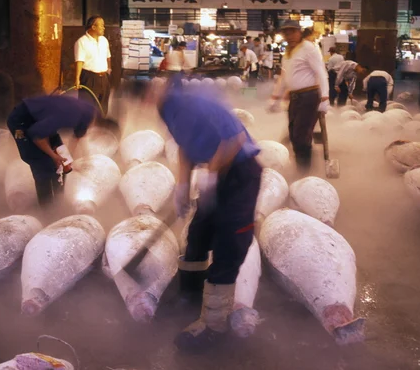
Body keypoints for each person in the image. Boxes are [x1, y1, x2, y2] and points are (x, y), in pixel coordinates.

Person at [122, 75, 262, 352]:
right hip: (219, 173)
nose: (147, 102)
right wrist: (182, 186)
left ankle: (214, 326)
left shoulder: (196, 101)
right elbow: (185, 146)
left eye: (147, 95)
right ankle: (189, 293)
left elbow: (234, 138)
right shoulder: (167, 108)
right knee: (199, 233)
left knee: (228, 244)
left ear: (155, 88)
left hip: (241, 175)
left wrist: (211, 175)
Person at [6, 95, 97, 209]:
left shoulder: (88, 113)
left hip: (42, 120)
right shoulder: (63, 117)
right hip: (22, 121)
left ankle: (58, 201)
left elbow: (77, 137)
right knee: (42, 163)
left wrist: (70, 157)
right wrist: (53, 156)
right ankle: (47, 208)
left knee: (63, 163)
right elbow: (37, 136)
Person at [269, 20, 329, 171]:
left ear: (299, 32)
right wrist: (275, 98)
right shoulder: (288, 53)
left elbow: (321, 72)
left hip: (309, 96)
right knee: (294, 135)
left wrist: (325, 98)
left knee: (301, 137)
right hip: (295, 98)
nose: (289, 35)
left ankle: (304, 172)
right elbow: (285, 76)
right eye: (286, 33)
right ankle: (303, 165)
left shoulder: (309, 48)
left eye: (292, 32)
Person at [74, 15, 112, 114]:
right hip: (89, 78)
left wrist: (109, 68)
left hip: (104, 78)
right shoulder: (82, 42)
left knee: (102, 108)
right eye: (101, 25)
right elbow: (79, 61)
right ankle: (81, 129)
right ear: (93, 27)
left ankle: (100, 129)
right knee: (85, 108)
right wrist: (77, 79)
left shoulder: (104, 40)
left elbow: (108, 56)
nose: (104, 28)